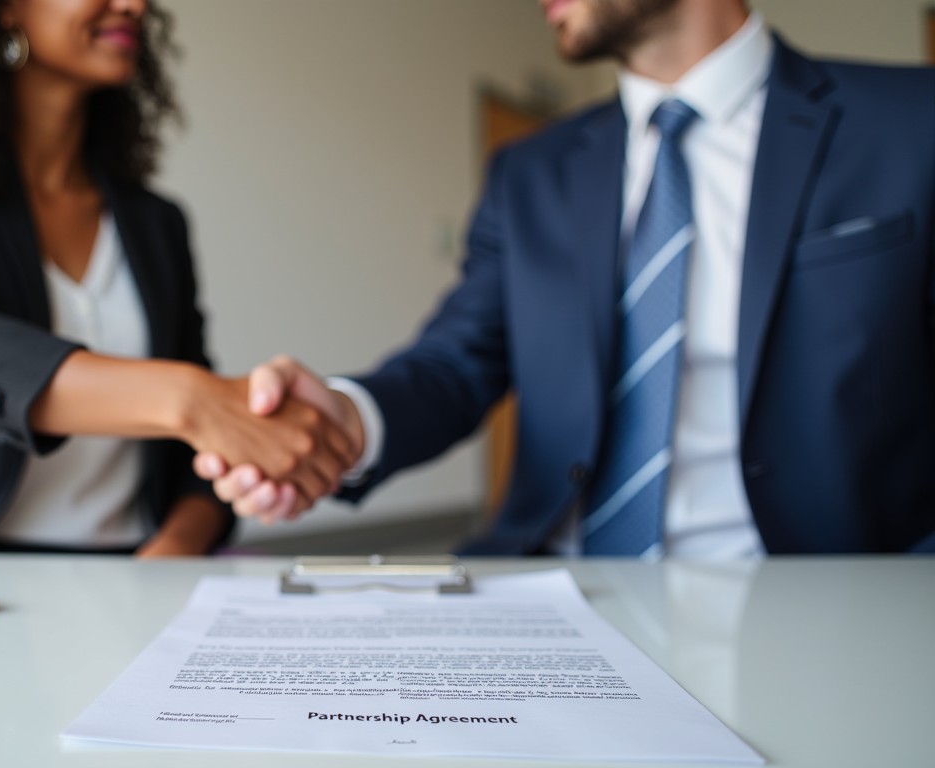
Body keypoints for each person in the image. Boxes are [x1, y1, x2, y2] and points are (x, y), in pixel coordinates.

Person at [199, 0, 935, 556]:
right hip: (553, 589)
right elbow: (455, 363)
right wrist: (342, 420)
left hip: (817, 600)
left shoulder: (911, 123)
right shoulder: (531, 171)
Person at [0, 0, 354, 556]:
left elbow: (193, 467)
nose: (133, 5)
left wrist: (174, 548)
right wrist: (192, 400)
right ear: (6, 6)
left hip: (125, 571)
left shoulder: (157, 223)